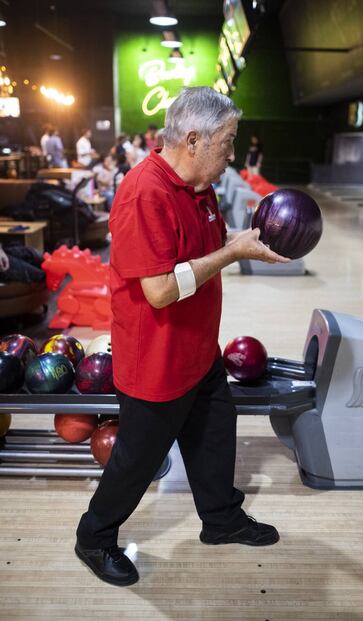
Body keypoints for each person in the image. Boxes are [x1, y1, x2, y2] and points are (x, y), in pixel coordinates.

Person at [75, 87, 289, 587]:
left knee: (215, 433)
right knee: (136, 461)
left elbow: (210, 244)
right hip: (156, 362)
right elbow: (161, 290)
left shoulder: (199, 185)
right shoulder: (143, 193)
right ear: (194, 139)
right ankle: (94, 536)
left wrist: (250, 240)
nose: (232, 155)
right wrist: (235, 255)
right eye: (228, 143)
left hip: (198, 351)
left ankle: (221, 519)